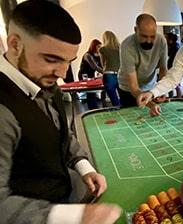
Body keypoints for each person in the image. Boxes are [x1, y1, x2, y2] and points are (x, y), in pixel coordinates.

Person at [0, 1, 121, 223]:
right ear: (15, 45)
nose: (63, 73)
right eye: (51, 59)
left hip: (62, 195)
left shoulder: (45, 82)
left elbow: (59, 134)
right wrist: (75, 216)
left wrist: (84, 167)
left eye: (69, 62)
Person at [118, 13, 168, 116]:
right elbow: (134, 87)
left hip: (150, 86)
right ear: (135, 30)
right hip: (128, 90)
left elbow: (163, 69)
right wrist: (150, 104)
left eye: (152, 36)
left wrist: (162, 90)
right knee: (132, 119)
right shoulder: (126, 46)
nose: (149, 41)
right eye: (144, 36)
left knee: (154, 117)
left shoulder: (161, 41)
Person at [78, 39, 104, 109]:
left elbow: (101, 66)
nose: (100, 48)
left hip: (91, 75)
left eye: (100, 46)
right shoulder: (87, 55)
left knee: (93, 91)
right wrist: (105, 72)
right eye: (98, 46)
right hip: (84, 75)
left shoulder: (99, 55)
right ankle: (93, 108)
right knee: (90, 92)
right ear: (94, 46)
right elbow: (95, 66)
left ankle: (95, 107)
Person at [99, 30, 121, 107]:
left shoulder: (103, 49)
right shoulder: (120, 48)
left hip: (109, 75)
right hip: (120, 74)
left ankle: (117, 112)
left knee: (114, 99)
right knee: (123, 97)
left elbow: (103, 64)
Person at [165, 32, 182, 98]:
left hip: (175, 68)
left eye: (166, 38)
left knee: (177, 86)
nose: (164, 39)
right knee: (170, 85)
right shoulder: (171, 46)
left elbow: (175, 59)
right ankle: (171, 98)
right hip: (170, 67)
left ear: (170, 39)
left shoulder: (176, 47)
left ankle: (179, 99)